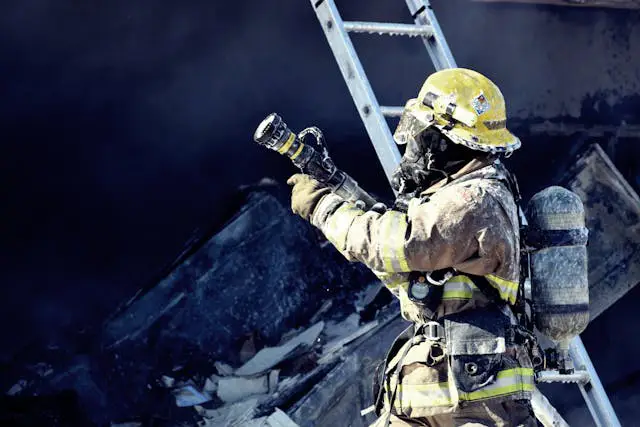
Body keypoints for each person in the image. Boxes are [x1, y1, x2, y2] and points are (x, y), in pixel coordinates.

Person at [287, 68, 537, 426]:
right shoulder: (458, 199)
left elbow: (390, 243)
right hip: (442, 398)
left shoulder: (473, 201)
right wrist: (348, 199)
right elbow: (402, 270)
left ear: (444, 140)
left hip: (472, 403)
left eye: (422, 132)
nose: (414, 144)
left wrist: (322, 206)